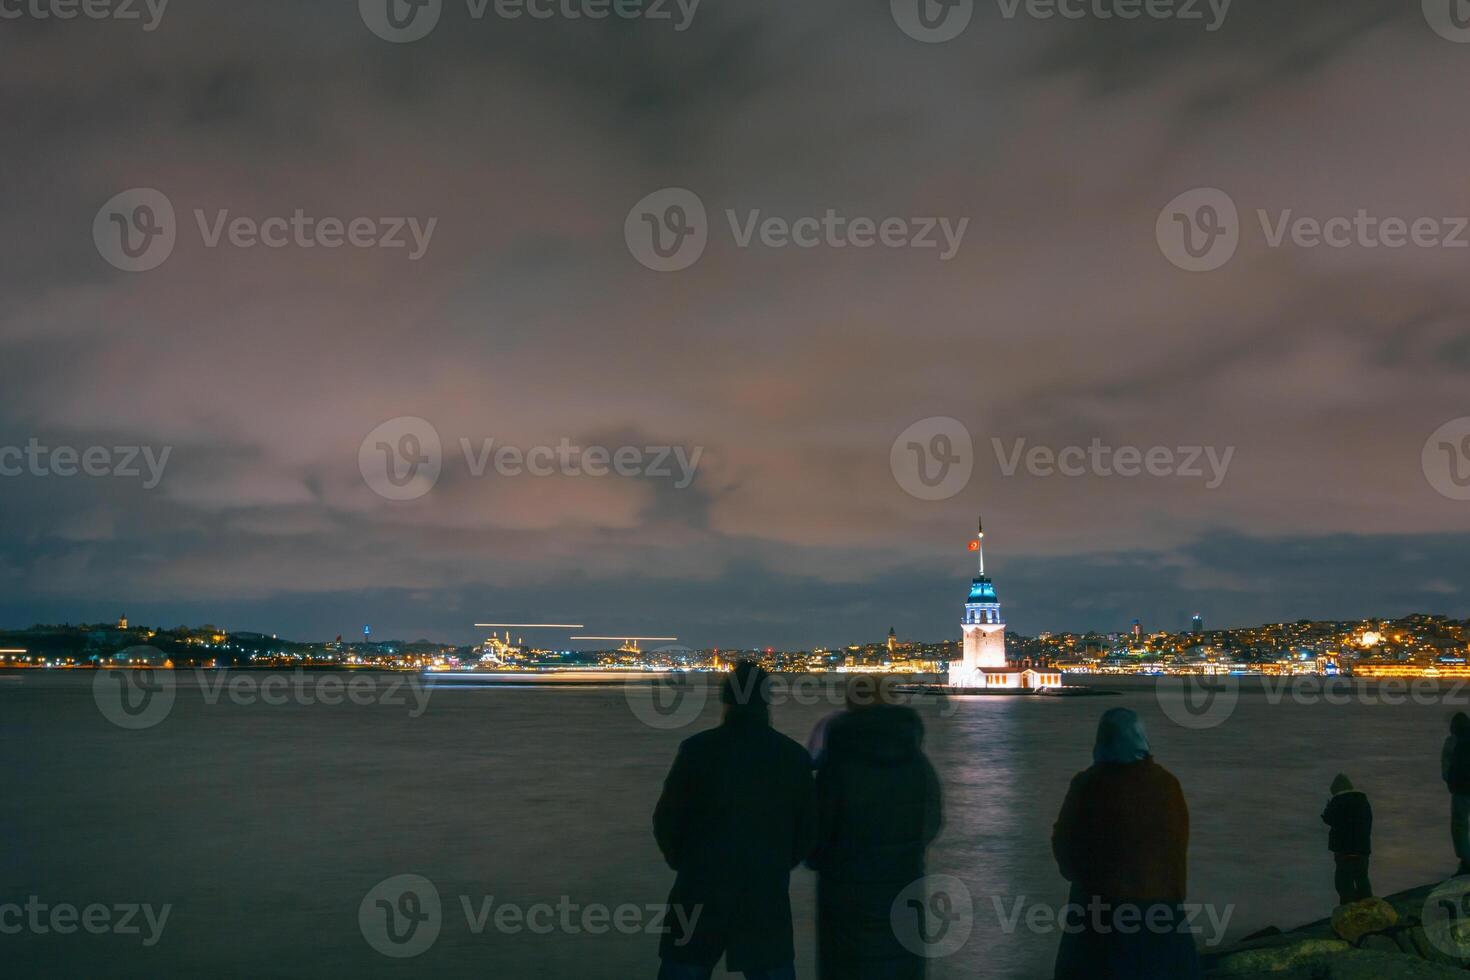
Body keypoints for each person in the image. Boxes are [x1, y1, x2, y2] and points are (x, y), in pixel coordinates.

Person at [652, 661, 817, 980]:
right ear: (766, 701)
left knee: (685, 965)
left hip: (699, 887)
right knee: (770, 967)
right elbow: (808, 829)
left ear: (725, 701)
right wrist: (780, 862)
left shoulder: (697, 751)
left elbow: (666, 819)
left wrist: (683, 862)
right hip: (765, 890)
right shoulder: (793, 757)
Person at [1051, 708, 1201, 980]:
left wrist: (1084, 877)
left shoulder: (1089, 784)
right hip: (1163, 910)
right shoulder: (1167, 784)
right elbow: (1178, 841)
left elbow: (1064, 844)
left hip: (1101, 913)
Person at [808, 677, 943, 979]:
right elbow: (932, 820)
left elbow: (817, 830)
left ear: (850, 702)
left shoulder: (837, 761)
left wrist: (819, 860)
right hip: (904, 880)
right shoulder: (916, 760)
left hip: (846, 890)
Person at [1320, 773, 1372, 905]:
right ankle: (1370, 911)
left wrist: (1329, 806)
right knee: (1362, 880)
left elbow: (1329, 819)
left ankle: (1348, 914)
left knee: (1344, 884)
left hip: (1343, 850)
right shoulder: (1363, 800)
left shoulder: (1338, 801)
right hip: (1362, 849)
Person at [1442, 712, 1470, 876]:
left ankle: (1466, 862)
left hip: (1461, 790)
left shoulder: (1452, 742)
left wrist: (1451, 782)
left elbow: (1446, 769)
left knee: (1459, 827)